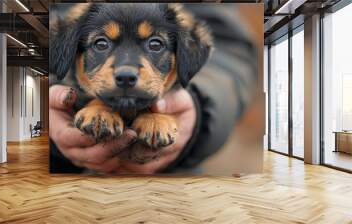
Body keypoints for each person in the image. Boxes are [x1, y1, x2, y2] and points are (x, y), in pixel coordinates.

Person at [49, 4, 258, 174]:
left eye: (156, 45)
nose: (126, 71)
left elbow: (230, 45)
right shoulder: (69, 30)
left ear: (182, 56)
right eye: (101, 44)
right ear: (71, 51)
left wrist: (199, 112)